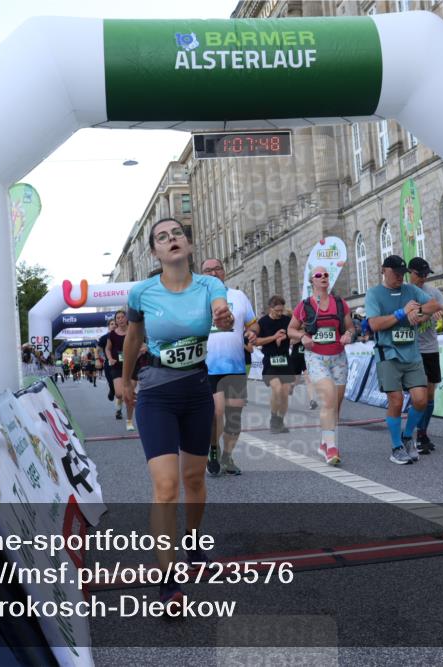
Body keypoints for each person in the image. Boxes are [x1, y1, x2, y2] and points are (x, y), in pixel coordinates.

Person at [121, 217, 233, 610]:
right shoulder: (142, 293)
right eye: (162, 237)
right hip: (156, 395)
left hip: (197, 392)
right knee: (166, 487)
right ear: (155, 251)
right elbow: (133, 338)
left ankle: (192, 537)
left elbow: (223, 311)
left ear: (188, 244)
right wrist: (125, 381)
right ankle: (169, 581)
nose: (171, 240)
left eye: (178, 234)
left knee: (194, 480)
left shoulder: (210, 285)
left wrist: (224, 317)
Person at [365, 256, 440, 464]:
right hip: (388, 354)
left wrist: (419, 311)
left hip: (412, 355)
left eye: (402, 272)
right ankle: (396, 446)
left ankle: (408, 437)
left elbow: (434, 305)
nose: (400, 276)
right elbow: (375, 324)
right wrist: (401, 313)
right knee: (396, 401)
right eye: (395, 272)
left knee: (421, 400)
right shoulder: (374, 294)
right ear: (383, 270)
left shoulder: (411, 290)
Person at [287, 265, 356, 465]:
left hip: (338, 357)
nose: (324, 277)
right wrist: (302, 336)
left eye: (326, 274)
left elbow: (350, 326)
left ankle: (325, 442)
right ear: (312, 281)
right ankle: (332, 449)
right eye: (319, 275)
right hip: (316, 357)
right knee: (328, 398)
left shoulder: (340, 303)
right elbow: (291, 330)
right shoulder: (305, 305)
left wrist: (348, 334)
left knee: (337, 404)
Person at [200, 258, 257, 477]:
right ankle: (213, 450)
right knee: (217, 412)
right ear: (202, 275)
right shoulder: (197, 299)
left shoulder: (238, 296)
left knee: (234, 416)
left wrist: (253, 333)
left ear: (224, 272)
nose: (213, 273)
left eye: (217, 268)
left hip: (235, 365)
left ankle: (227, 457)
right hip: (207, 366)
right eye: (208, 270)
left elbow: (253, 324)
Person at [406, 257, 443, 453]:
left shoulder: (432, 291)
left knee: (430, 394)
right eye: (421, 275)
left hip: (431, 349)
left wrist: (441, 310)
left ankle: (423, 432)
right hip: (412, 350)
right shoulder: (404, 293)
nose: (424, 278)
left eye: (427, 275)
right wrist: (428, 312)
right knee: (420, 395)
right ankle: (414, 434)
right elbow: (410, 320)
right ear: (411, 273)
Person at [250, 295, 294, 434]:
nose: (280, 313)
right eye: (277, 311)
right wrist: (274, 337)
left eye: (282, 310)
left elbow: (297, 331)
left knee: (285, 392)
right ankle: (274, 418)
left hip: (285, 360)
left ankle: (280, 421)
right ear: (270, 309)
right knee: (277, 389)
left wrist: (285, 336)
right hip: (270, 360)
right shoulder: (263, 322)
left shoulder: (287, 320)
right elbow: (256, 342)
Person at [107, 310, 138, 431]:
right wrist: (110, 359)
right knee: (119, 393)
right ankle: (119, 401)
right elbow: (108, 349)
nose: (120, 320)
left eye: (122, 317)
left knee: (129, 395)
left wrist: (141, 349)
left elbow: (142, 344)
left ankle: (129, 421)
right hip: (117, 367)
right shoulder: (112, 335)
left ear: (127, 319)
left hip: (132, 365)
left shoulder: (134, 331)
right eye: (117, 318)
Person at [99, 319, 117, 401]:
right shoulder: (104, 338)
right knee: (111, 382)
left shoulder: (123, 335)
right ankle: (112, 389)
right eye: (112, 324)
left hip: (121, 362)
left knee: (120, 385)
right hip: (109, 363)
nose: (114, 325)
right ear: (108, 326)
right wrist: (97, 360)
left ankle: (118, 409)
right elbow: (97, 349)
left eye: (115, 324)